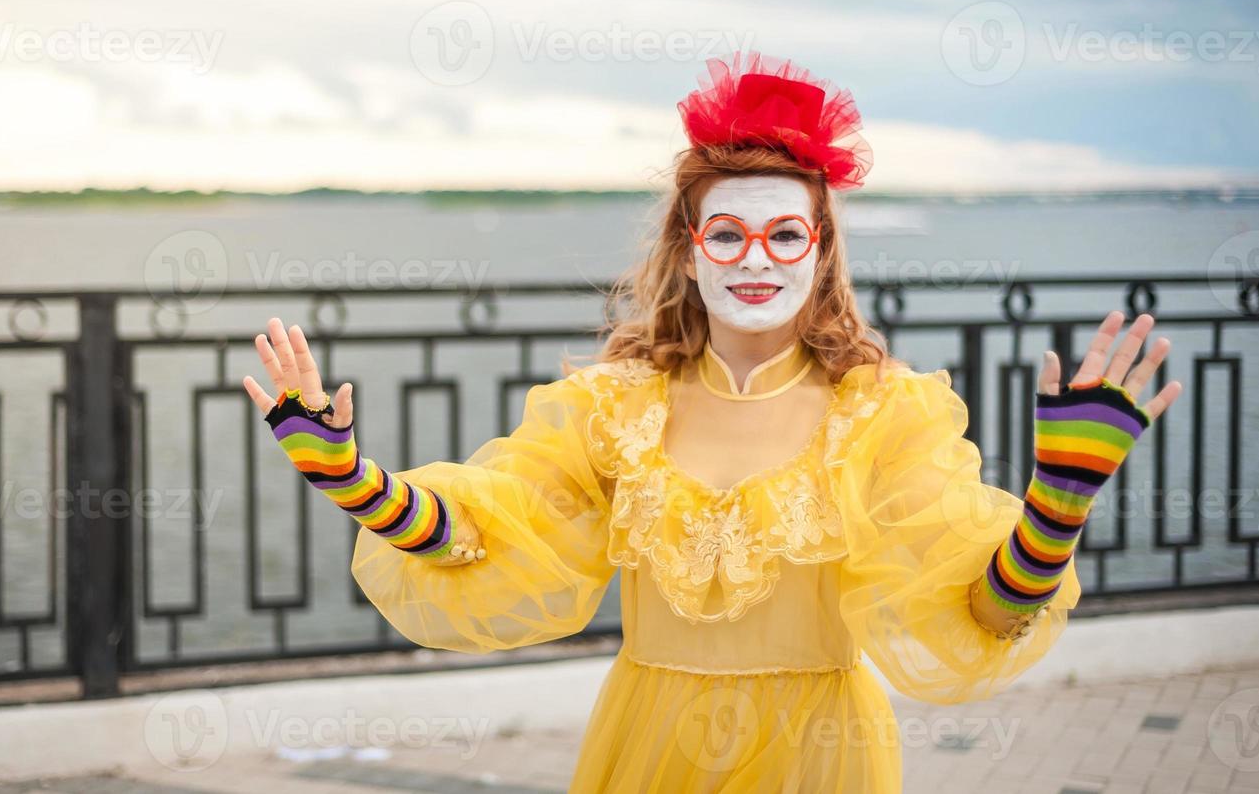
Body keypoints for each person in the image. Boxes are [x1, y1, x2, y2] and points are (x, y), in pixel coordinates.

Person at [241, 51, 1182, 792]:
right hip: (648, 738)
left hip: (825, 752)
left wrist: (1056, 505)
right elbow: (483, 541)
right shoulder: (614, 406)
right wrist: (351, 480)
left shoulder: (883, 412)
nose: (754, 259)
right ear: (688, 255)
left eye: (784, 235)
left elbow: (979, 614)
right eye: (725, 234)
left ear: (820, 255)